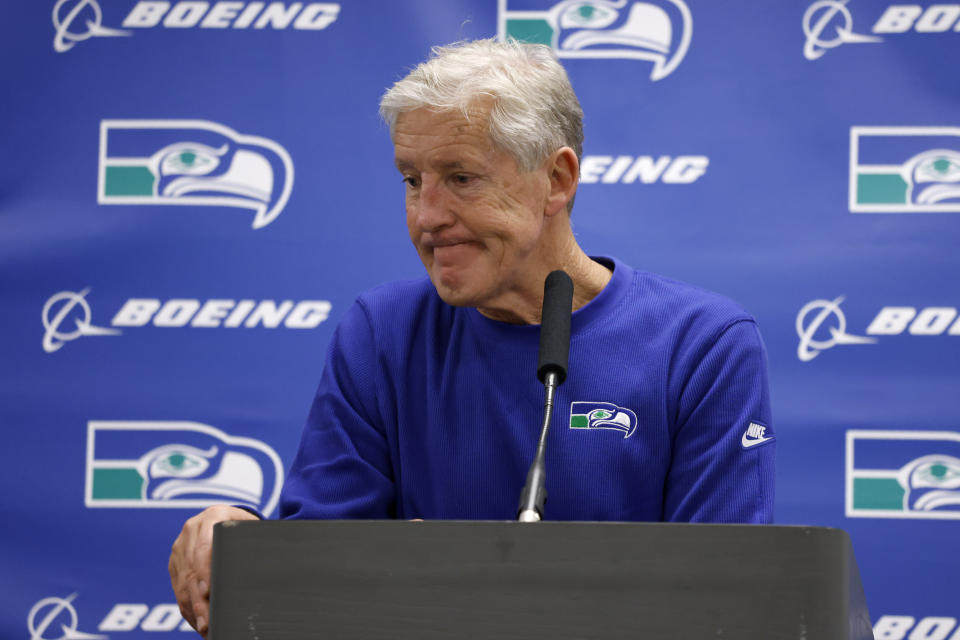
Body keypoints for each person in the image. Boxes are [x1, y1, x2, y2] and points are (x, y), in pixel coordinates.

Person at [169, 38, 775, 636]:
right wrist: (244, 541)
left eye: (461, 178)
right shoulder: (382, 334)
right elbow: (317, 581)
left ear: (557, 180)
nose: (426, 215)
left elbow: (723, 604)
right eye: (411, 180)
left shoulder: (703, 346)